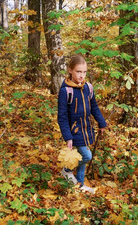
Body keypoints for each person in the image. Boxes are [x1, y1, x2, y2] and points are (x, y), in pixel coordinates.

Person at [57, 54, 107, 193]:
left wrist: (101, 123)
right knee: (86, 156)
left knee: (82, 158)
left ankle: (80, 184)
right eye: (78, 71)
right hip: (74, 132)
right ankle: (66, 170)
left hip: (86, 130)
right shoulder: (66, 91)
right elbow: (62, 117)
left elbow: (94, 107)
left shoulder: (88, 88)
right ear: (70, 70)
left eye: (84, 72)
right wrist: (68, 137)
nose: (81, 75)